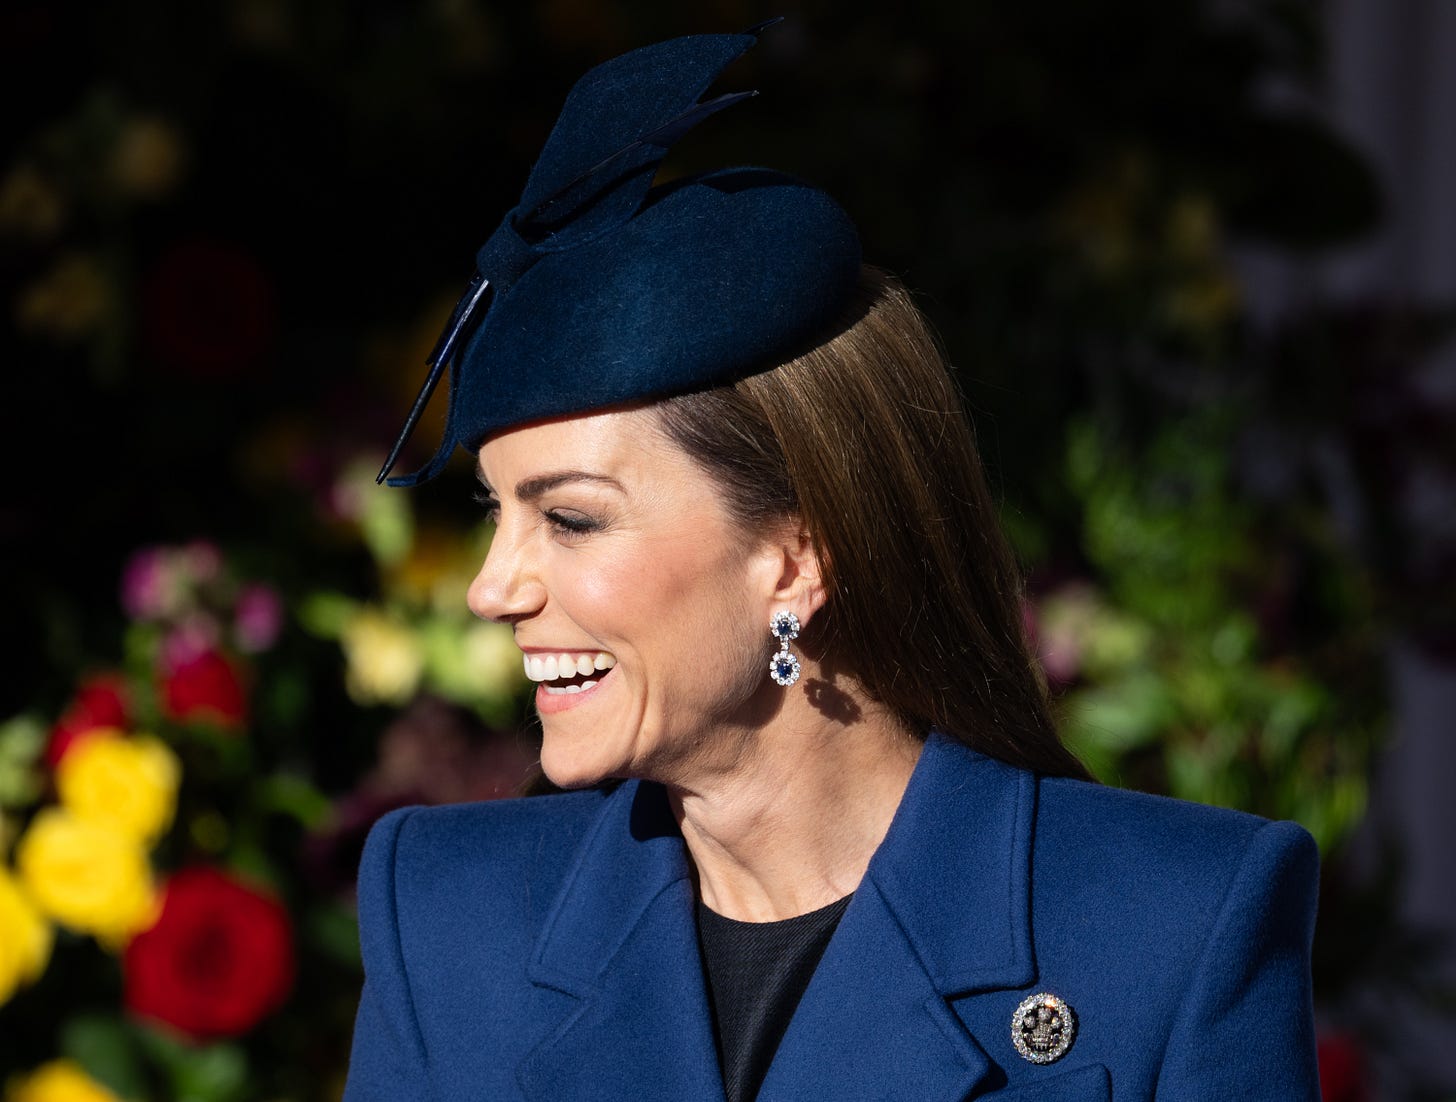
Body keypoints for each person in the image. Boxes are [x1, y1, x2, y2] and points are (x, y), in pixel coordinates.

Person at [344, 25, 1321, 1102]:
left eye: (568, 518)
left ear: (797, 557)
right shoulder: (448, 918)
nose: (492, 587)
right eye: (495, 512)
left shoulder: (1171, 925)